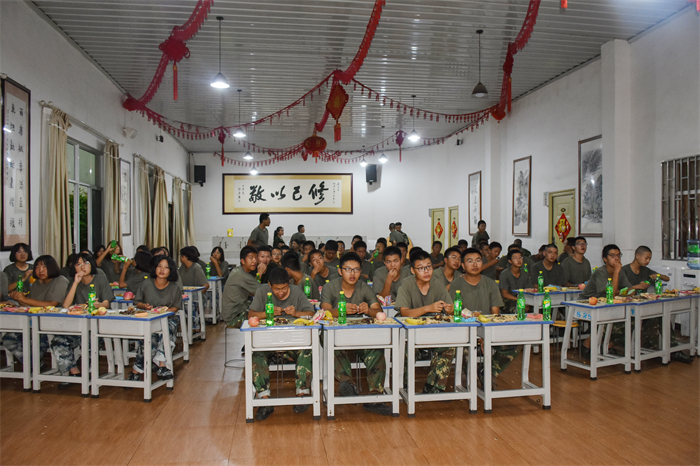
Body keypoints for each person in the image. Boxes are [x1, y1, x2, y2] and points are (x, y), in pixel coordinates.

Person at [320, 252, 391, 416]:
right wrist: (340, 310)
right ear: (340, 271)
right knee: (330, 342)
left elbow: (379, 312)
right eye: (348, 269)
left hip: (361, 334)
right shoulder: (330, 287)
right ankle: (347, 384)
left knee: (377, 350)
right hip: (337, 334)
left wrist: (369, 310)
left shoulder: (364, 287)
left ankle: (375, 396)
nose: (352, 274)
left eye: (357, 269)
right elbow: (324, 313)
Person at [249, 268, 315, 421]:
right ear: (269, 285)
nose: (280, 292)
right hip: (268, 341)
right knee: (257, 355)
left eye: (284, 288)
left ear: (289, 284)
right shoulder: (262, 291)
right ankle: (264, 400)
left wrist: (296, 313)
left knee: (306, 351)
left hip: (292, 341)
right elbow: (251, 315)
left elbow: (312, 314)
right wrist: (268, 313)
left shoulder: (296, 292)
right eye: (276, 289)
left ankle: (302, 395)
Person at [450, 248, 521, 385]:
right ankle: (473, 378)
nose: (474, 264)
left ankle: (487, 371)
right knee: (465, 349)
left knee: (515, 343)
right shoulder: (456, 284)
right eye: (470, 261)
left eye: (478, 260)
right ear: (463, 265)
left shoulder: (491, 284)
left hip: (488, 328)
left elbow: (495, 315)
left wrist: (485, 335)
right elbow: (455, 313)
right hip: (464, 331)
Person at [395, 250, 455, 394]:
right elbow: (404, 312)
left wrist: (450, 309)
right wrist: (428, 308)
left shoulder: (437, 284)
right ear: (412, 270)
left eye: (429, 267)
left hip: (432, 329)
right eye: (421, 268)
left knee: (449, 346)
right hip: (409, 331)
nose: (426, 271)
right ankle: (404, 383)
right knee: (407, 348)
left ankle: (434, 384)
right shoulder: (406, 285)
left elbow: (450, 309)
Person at [619, 246, 691, 363]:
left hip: (644, 306)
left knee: (662, 317)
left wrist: (658, 276)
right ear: (637, 256)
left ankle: (671, 349)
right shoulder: (624, 271)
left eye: (650, 259)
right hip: (627, 308)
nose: (648, 261)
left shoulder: (646, 271)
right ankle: (652, 349)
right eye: (646, 258)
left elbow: (666, 278)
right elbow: (618, 292)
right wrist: (636, 287)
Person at [55, 253, 114, 379]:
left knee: (89, 340)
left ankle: (89, 374)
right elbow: (66, 305)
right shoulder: (73, 281)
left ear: (91, 264)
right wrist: (76, 283)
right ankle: (74, 371)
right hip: (77, 325)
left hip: (97, 325)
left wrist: (98, 305)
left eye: (86, 263)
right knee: (58, 341)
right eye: (78, 264)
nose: (82, 267)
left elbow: (106, 304)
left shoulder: (100, 278)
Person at [4, 255, 66, 366]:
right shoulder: (36, 283)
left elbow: (52, 304)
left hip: (54, 324)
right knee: (9, 339)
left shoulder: (61, 281)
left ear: (52, 267)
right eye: (37, 267)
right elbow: (31, 305)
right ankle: (34, 364)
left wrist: (24, 299)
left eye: (44, 267)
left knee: (37, 341)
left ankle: (33, 365)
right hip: (34, 324)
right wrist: (18, 300)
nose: (40, 270)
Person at [129, 255, 182, 381]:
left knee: (167, 329)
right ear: (154, 268)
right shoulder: (146, 284)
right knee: (150, 338)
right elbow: (137, 302)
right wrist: (145, 306)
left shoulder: (175, 287)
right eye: (159, 266)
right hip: (150, 318)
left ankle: (149, 367)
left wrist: (164, 311)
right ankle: (158, 366)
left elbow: (176, 307)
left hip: (168, 318)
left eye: (166, 267)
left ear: (171, 271)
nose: (162, 270)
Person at [222, 246, 261, 327]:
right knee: (267, 311)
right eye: (251, 258)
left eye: (256, 257)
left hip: (234, 312)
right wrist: (260, 273)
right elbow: (262, 292)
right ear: (242, 261)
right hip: (235, 317)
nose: (255, 261)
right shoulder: (241, 275)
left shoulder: (238, 270)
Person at [179, 246, 210, 329]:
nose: (180, 258)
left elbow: (206, 285)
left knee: (190, 304)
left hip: (197, 297)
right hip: (185, 295)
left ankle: (195, 327)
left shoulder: (196, 267)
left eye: (181, 256)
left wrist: (196, 294)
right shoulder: (182, 268)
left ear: (185, 257)